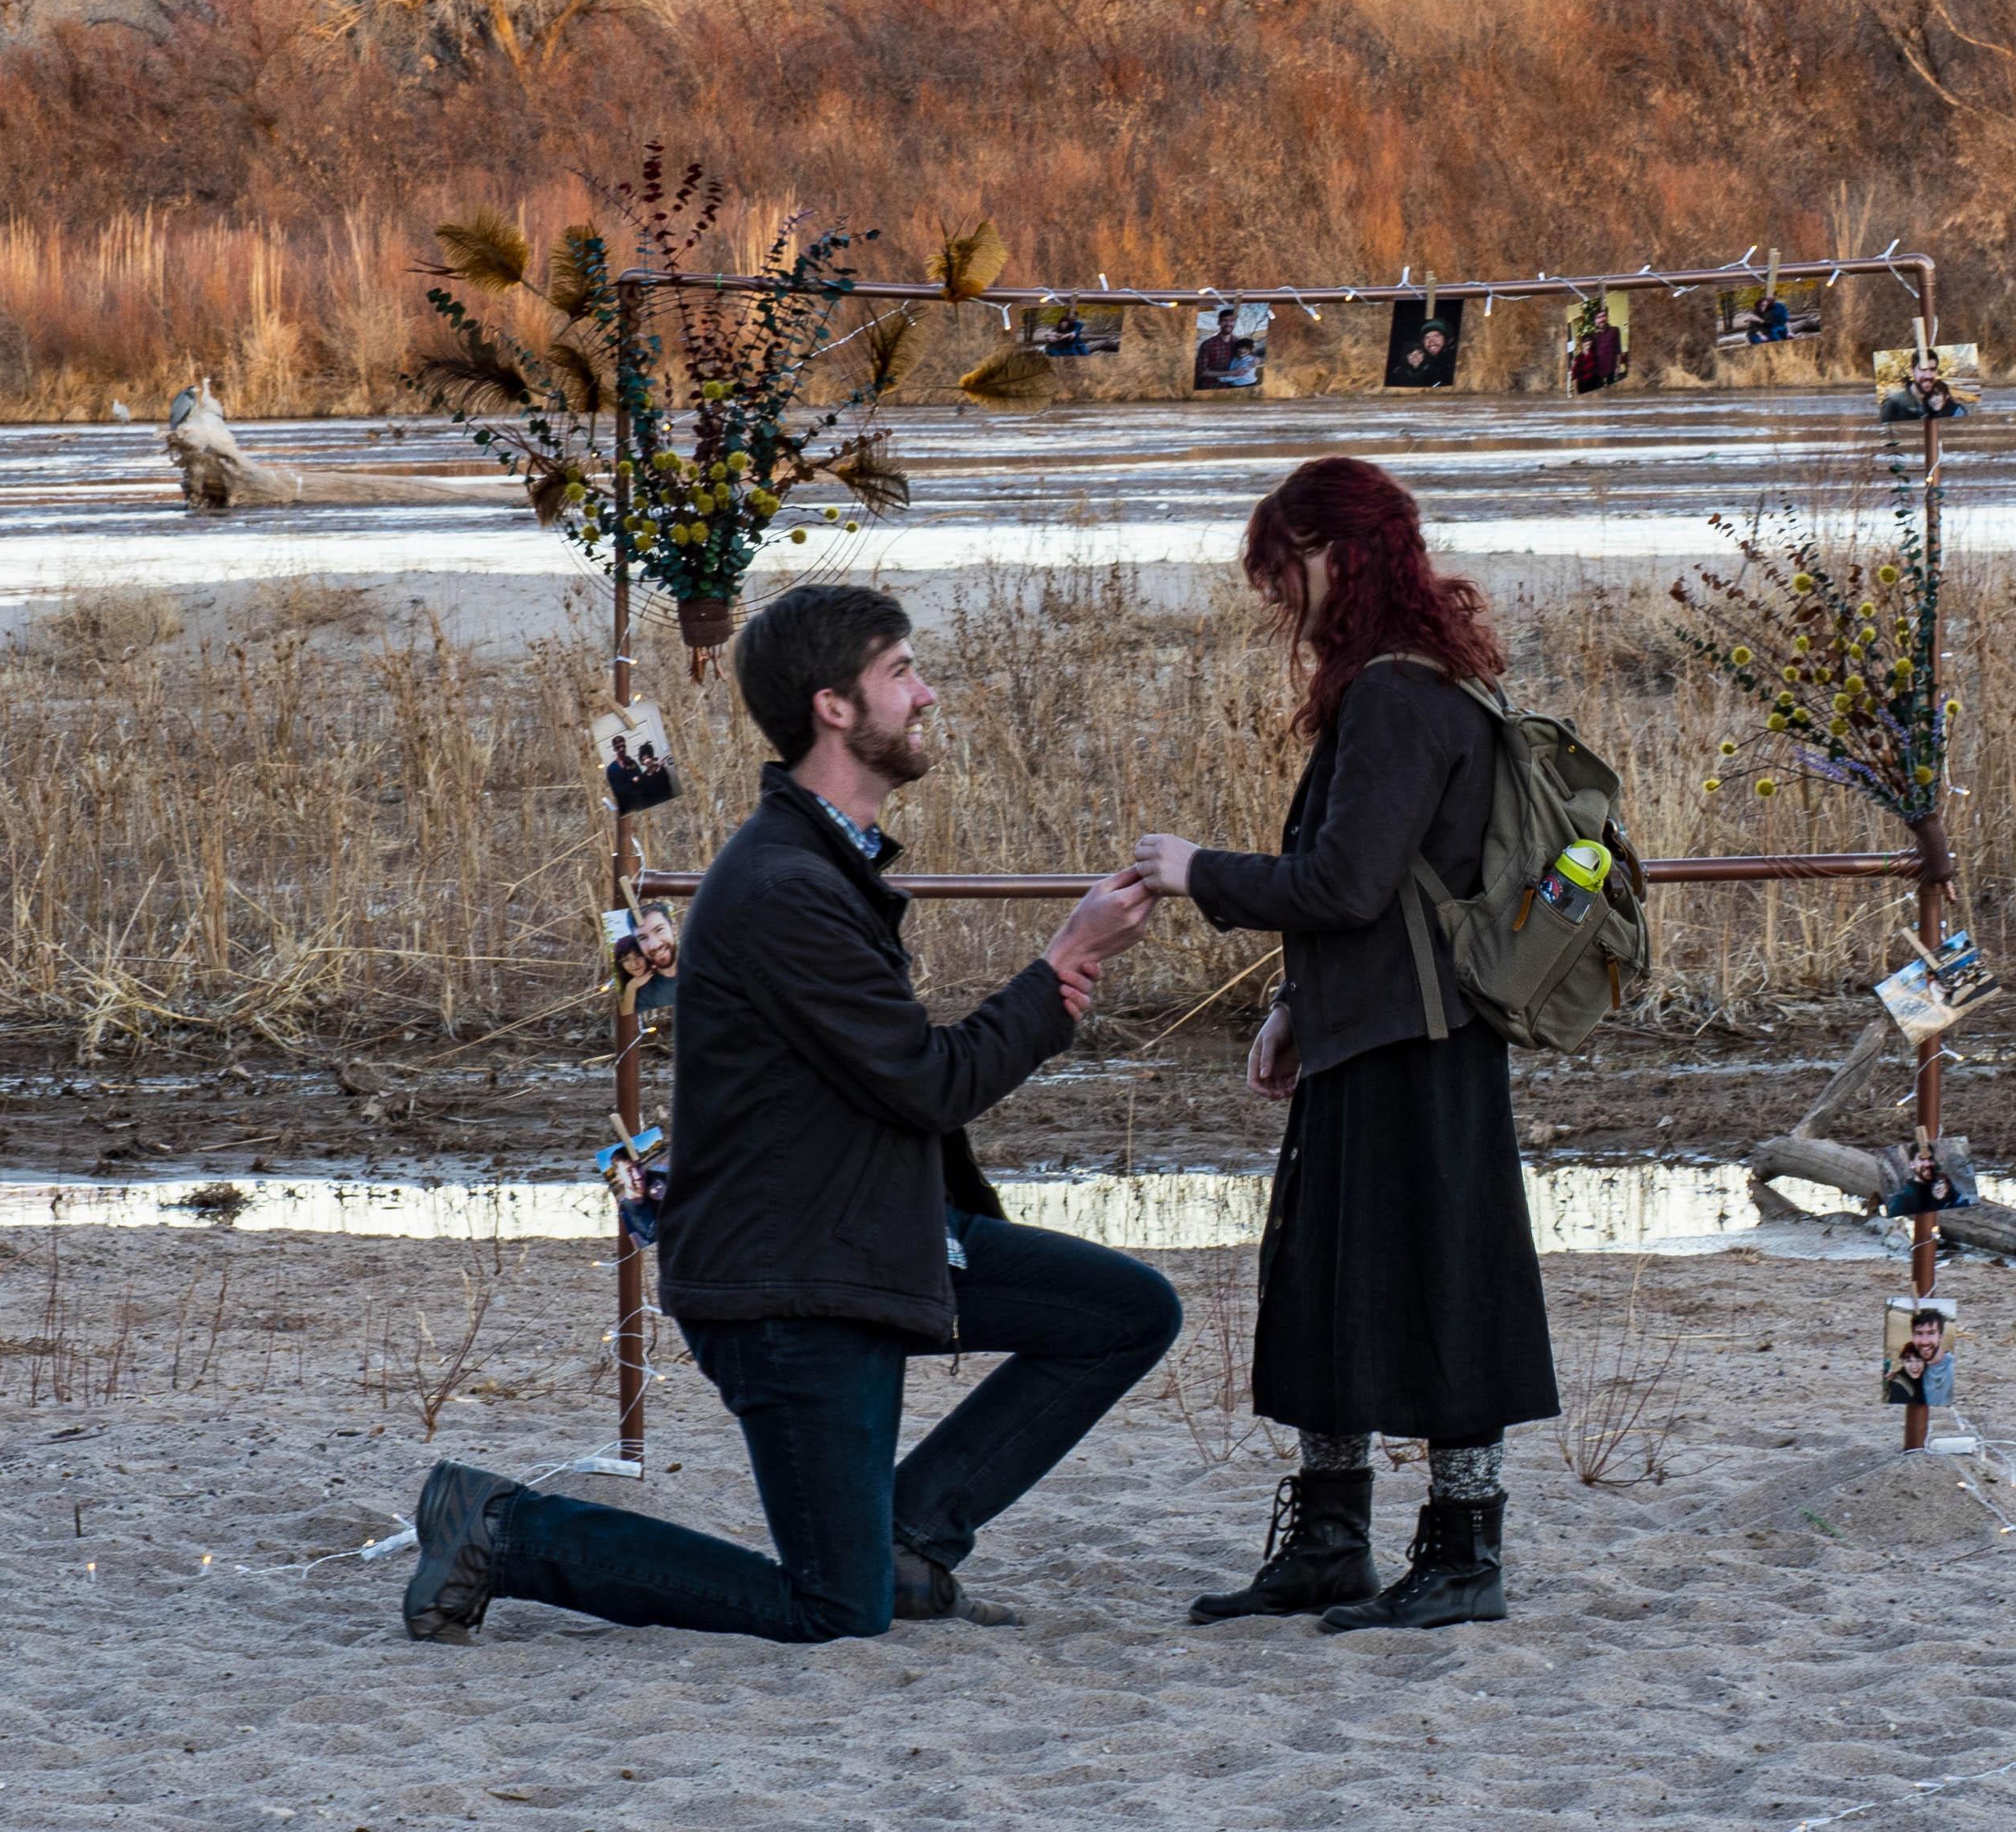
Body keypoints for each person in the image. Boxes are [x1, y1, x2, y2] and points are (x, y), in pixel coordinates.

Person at [403, 583, 1179, 1647]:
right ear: (834, 706)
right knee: (831, 1608)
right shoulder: (782, 887)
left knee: (1123, 1310)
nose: (928, 693)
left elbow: (895, 1083)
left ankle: (907, 1532)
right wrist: (1066, 961)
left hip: (870, 1240)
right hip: (791, 1288)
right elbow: (927, 1081)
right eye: (902, 672)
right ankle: (502, 1526)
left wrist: (1054, 981)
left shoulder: (820, 864)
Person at [1130, 458, 1557, 1632]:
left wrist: (1193, 872)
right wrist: (1294, 1008)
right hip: (1385, 1033)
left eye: (1285, 569)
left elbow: (1346, 881)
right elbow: (1384, 894)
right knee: (1332, 1277)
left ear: (1335, 554)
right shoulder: (1420, 686)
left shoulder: (1395, 698)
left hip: (1417, 1044)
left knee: (1435, 1283)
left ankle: (1461, 1552)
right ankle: (1330, 1538)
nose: (1282, 598)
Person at [1883, 1307, 1953, 1405]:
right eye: (1919, 1334)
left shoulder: (1951, 1369)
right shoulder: (1903, 1384)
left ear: (1940, 1337)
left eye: (1931, 1333)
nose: (1924, 1341)